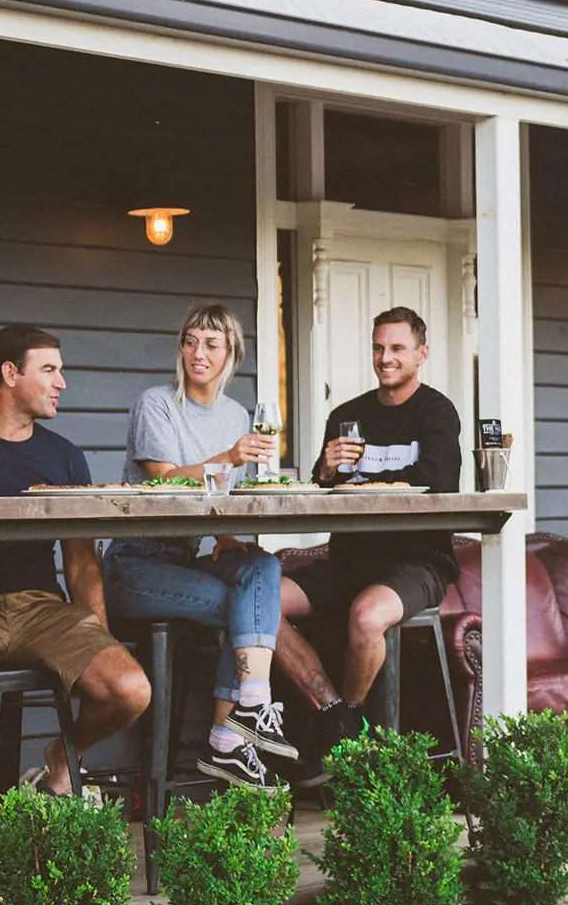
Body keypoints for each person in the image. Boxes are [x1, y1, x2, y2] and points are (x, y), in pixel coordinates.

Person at [0, 326, 152, 816]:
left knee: (130, 689)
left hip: (39, 608)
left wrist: (97, 641)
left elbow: (82, 563)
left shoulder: (63, 456)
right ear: (10, 374)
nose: (62, 382)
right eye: (49, 370)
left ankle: (62, 753)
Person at [103, 304, 298, 790]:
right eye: (190, 341)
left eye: (211, 344)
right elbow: (165, 482)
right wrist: (230, 456)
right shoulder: (158, 404)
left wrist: (228, 535)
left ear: (231, 353)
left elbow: (221, 499)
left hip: (186, 559)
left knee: (262, 568)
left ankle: (244, 712)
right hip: (135, 565)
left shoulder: (235, 414)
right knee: (244, 604)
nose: (198, 353)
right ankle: (231, 737)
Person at [281, 306, 462, 754]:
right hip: (347, 560)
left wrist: (366, 478)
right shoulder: (348, 414)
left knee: (366, 616)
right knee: (258, 599)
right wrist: (324, 470)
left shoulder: (437, 413)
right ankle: (335, 713)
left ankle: (350, 730)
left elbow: (438, 481)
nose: (386, 357)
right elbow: (323, 491)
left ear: (422, 354)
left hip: (417, 562)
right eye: (379, 348)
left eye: (397, 348)